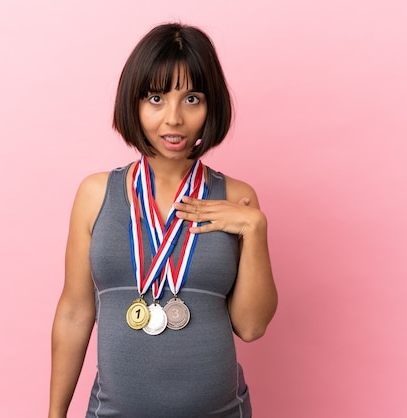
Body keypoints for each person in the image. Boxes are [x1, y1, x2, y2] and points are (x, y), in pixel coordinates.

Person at [48, 22, 278, 418]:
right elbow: (74, 313)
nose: (174, 118)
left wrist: (255, 230)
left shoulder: (237, 198)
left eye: (192, 99)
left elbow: (252, 327)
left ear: (211, 106)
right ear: (133, 104)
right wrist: (54, 415)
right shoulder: (96, 194)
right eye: (156, 98)